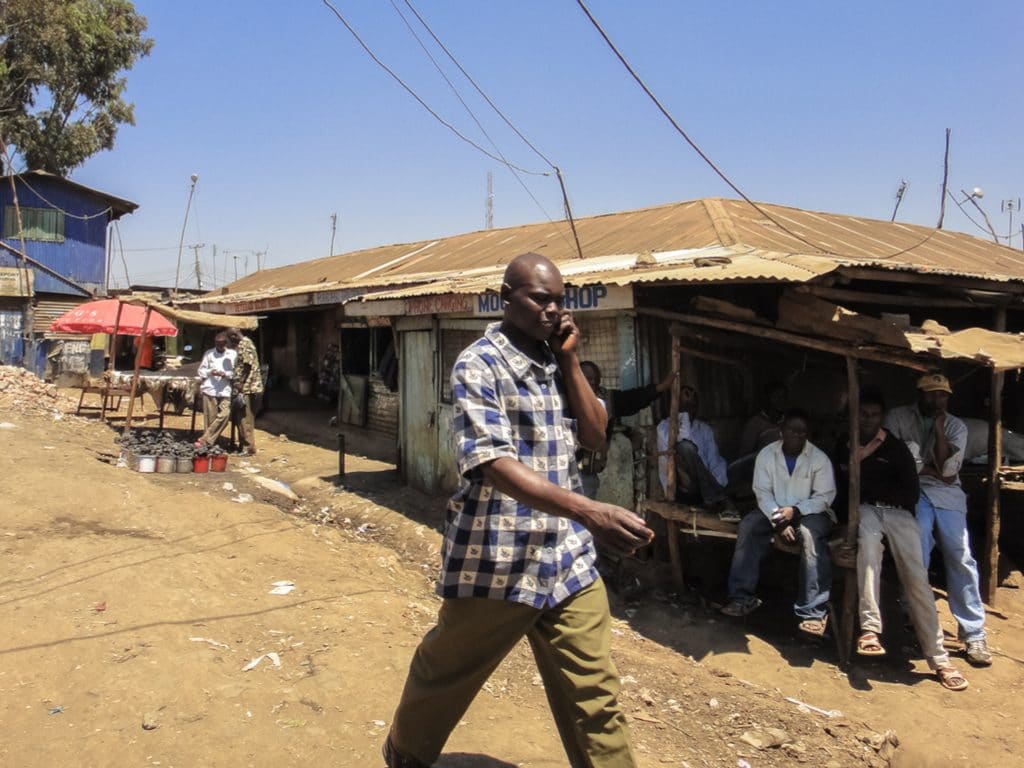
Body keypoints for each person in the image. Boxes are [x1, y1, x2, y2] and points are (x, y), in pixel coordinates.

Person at [383, 253, 654, 768]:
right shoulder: (477, 365)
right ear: (506, 298)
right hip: (498, 558)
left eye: (560, 300)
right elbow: (492, 463)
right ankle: (405, 752)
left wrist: (573, 361)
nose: (553, 310)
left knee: (596, 696)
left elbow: (596, 434)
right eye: (540, 299)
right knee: (445, 673)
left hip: (567, 559)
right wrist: (588, 511)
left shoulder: (558, 363)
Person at [845, 389, 969, 691]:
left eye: (873, 414)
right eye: (863, 414)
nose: (867, 419)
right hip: (866, 510)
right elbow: (843, 485)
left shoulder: (897, 448)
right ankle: (870, 630)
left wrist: (890, 502)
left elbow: (911, 491)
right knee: (869, 551)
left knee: (917, 579)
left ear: (881, 418)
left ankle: (938, 658)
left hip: (898, 513)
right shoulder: (846, 444)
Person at [885, 372, 992, 667]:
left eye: (942, 395)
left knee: (961, 556)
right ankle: (913, 618)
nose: (937, 400)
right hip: (913, 492)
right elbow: (897, 463)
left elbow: (947, 473)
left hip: (948, 495)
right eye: (931, 394)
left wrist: (941, 431)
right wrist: (925, 469)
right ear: (919, 394)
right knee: (917, 549)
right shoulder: (898, 417)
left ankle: (973, 632)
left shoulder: (956, 425)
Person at [721, 409, 836, 636]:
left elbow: (824, 497)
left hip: (810, 512)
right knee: (749, 526)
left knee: (810, 537)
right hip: (774, 510)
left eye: (803, 432)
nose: (798, 436)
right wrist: (779, 521)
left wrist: (796, 511)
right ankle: (742, 598)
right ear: (781, 432)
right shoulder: (766, 455)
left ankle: (812, 612)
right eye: (793, 431)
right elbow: (762, 493)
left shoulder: (819, 459)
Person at [577, 360, 676, 500]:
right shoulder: (565, 398)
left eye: (594, 378)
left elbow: (632, 399)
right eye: (586, 378)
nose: (590, 382)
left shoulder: (606, 400)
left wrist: (659, 388)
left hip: (587, 474)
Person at [656, 384, 735, 518]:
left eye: (693, 405)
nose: (690, 409)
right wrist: (684, 415)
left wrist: (717, 484)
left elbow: (715, 461)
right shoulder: (664, 428)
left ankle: (715, 496)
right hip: (683, 491)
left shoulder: (704, 429)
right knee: (685, 447)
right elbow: (683, 438)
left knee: (739, 466)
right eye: (685, 405)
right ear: (676, 405)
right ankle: (720, 499)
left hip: (705, 491)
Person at [226, 327, 263, 456]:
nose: (230, 341)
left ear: (234, 336)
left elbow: (247, 365)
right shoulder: (245, 343)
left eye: (230, 338)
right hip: (246, 386)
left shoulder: (244, 344)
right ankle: (244, 445)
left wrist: (241, 382)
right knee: (241, 418)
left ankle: (249, 448)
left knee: (244, 418)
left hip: (247, 387)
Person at [194, 332, 236, 448]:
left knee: (225, 414)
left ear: (225, 343)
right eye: (218, 344)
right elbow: (201, 371)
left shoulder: (232, 355)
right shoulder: (209, 354)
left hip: (225, 389)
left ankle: (204, 439)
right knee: (210, 418)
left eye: (222, 344)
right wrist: (210, 372)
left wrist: (226, 374)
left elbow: (236, 372)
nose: (220, 346)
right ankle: (209, 444)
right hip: (210, 389)